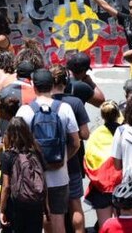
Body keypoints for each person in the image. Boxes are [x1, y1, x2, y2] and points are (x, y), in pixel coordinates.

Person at [15, 68, 80, 233]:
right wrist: (63, 159)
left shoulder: (25, 111)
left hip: (34, 177)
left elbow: (17, 145)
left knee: (41, 217)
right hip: (60, 174)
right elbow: (76, 143)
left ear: (34, 87)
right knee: (59, 218)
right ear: (52, 86)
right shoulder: (64, 109)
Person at [0, 117, 48, 233]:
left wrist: (1, 210)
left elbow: (6, 186)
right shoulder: (36, 152)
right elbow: (43, 181)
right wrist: (46, 206)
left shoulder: (8, 156)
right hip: (35, 204)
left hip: (15, 205)